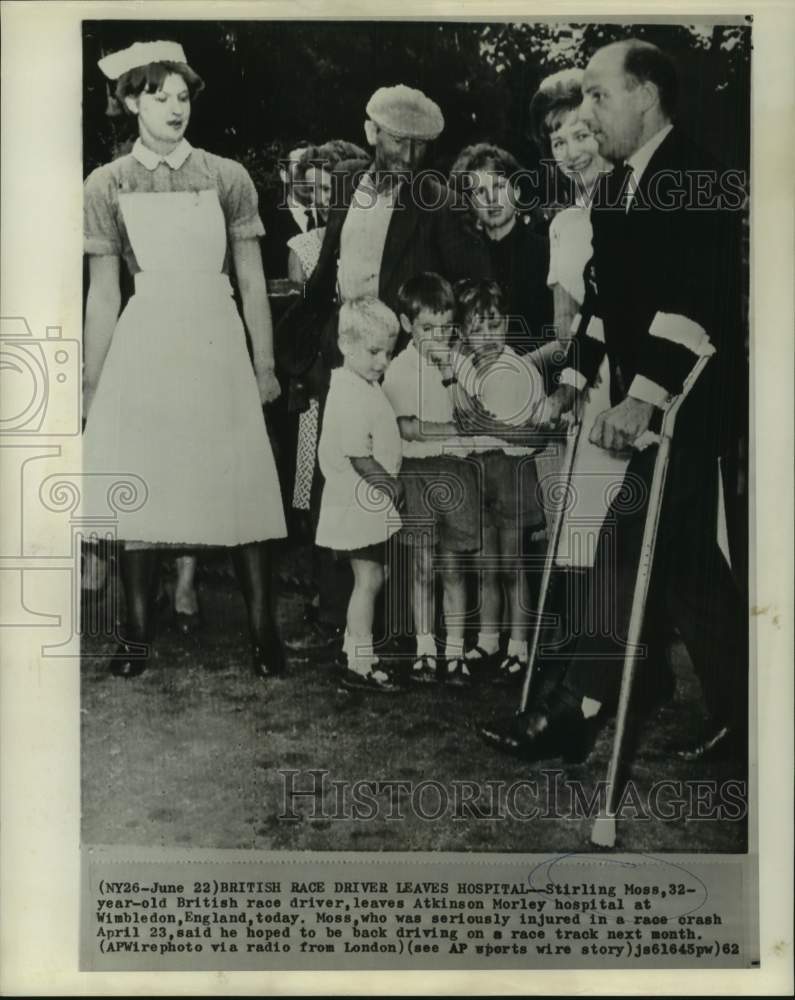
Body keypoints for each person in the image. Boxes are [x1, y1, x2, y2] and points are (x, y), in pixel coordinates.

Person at [483, 39, 747, 763]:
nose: (589, 114)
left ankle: (577, 705)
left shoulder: (695, 174)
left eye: (599, 96)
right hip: (649, 397)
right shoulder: (619, 185)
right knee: (690, 571)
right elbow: (603, 303)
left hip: (690, 400)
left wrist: (641, 399)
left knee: (623, 539)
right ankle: (746, 716)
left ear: (645, 95)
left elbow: (692, 305)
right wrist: (573, 378)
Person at [82, 41, 286, 679]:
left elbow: (253, 280)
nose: (174, 107)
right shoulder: (106, 184)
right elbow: (105, 290)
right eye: (157, 95)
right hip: (147, 340)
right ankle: (137, 635)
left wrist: (264, 365)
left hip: (216, 338)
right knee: (143, 480)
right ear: (130, 102)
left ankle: (264, 635)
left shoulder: (226, 177)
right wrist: (92, 382)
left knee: (241, 477)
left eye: (182, 96)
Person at [382, 272, 480, 685]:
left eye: (445, 328)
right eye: (427, 329)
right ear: (407, 325)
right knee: (422, 565)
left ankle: (454, 652)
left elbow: (473, 414)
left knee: (454, 566)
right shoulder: (398, 367)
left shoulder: (460, 365)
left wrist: (449, 373)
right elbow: (407, 428)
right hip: (417, 473)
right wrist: (453, 430)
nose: (437, 337)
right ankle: (425, 648)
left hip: (456, 473)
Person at [452, 279, 547, 684]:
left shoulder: (520, 369)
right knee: (486, 566)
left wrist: (488, 424)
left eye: (494, 325)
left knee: (513, 566)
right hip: (479, 473)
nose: (487, 336)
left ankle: (519, 647)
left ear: (506, 325)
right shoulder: (464, 370)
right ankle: (489, 639)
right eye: (477, 328)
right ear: (463, 333)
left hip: (511, 474)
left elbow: (537, 430)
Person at [315, 298, 404, 693]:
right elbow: (358, 455)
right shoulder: (348, 392)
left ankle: (355, 651)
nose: (383, 361)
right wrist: (390, 484)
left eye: (388, 352)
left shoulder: (360, 383)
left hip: (363, 503)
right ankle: (361, 664)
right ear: (344, 345)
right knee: (369, 579)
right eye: (373, 352)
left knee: (368, 579)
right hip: (358, 501)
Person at [449, 143, 552, 356]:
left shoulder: (546, 251)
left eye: (499, 187)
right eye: (480, 191)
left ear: (517, 190)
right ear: (470, 203)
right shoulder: (462, 258)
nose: (491, 199)